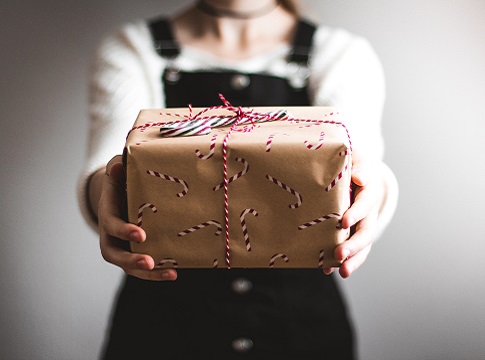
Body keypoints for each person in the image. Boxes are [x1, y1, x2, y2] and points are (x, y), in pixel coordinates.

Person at [78, 0, 398, 359]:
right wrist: (105, 193)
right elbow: (108, 165)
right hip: (161, 333)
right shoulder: (133, 49)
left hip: (302, 335)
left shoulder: (340, 53)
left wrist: (376, 190)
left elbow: (361, 161)